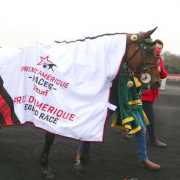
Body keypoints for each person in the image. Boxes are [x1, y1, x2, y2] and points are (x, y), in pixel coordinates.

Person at [75, 61, 161, 171]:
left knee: (141, 128)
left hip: (128, 101)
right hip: (112, 99)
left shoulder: (137, 62)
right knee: (96, 125)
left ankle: (143, 159)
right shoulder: (114, 58)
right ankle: (81, 151)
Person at [141, 39, 167, 148]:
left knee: (146, 117)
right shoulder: (145, 58)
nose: (158, 51)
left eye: (160, 49)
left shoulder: (160, 61)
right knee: (149, 117)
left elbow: (164, 75)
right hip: (143, 92)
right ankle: (152, 139)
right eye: (156, 48)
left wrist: (160, 69)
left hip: (151, 94)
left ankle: (125, 129)